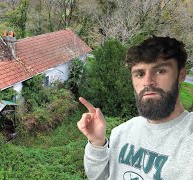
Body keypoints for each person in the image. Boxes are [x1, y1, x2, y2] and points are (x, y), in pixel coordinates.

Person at [77, 36, 193, 180]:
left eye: (160, 71)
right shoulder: (121, 132)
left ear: (181, 75)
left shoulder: (189, 136)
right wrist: (97, 143)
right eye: (139, 74)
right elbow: (99, 177)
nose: (147, 82)